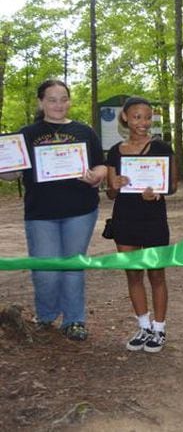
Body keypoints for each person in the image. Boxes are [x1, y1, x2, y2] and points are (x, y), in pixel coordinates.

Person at [0, 79, 106, 341]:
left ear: (69, 101)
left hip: (80, 210)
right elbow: (13, 173)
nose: (59, 104)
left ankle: (74, 320)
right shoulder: (26, 134)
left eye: (63, 99)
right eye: (52, 99)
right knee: (46, 269)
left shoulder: (85, 132)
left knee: (72, 266)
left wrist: (96, 177)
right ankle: (46, 316)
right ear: (41, 102)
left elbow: (101, 165)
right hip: (40, 213)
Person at [106, 97, 178, 353]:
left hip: (153, 218)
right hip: (125, 218)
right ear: (125, 117)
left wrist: (157, 193)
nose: (143, 123)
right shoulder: (115, 151)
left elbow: (171, 185)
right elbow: (111, 193)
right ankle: (144, 326)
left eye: (147, 117)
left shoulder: (161, 147)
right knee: (133, 274)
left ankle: (159, 329)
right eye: (137, 117)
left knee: (156, 274)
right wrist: (113, 186)